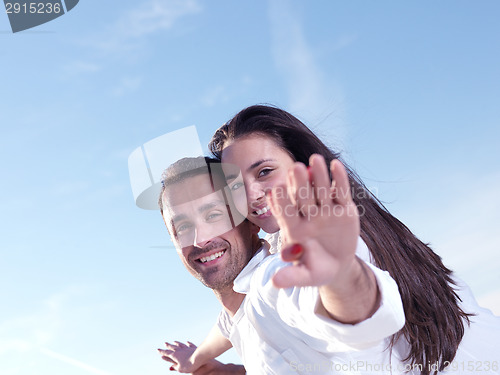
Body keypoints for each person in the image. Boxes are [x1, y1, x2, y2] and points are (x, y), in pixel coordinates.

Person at [204, 105, 500, 374]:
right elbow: (234, 321)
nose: (252, 194)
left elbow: (345, 308)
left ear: (304, 166)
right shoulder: (377, 225)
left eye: (265, 172)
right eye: (236, 186)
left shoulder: (316, 249)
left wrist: (341, 276)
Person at [157, 155, 405, 374]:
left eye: (213, 216)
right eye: (183, 227)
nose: (201, 239)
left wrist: (340, 277)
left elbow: (336, 308)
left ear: (251, 221)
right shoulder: (237, 307)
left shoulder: (273, 282)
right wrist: (201, 362)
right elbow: (228, 326)